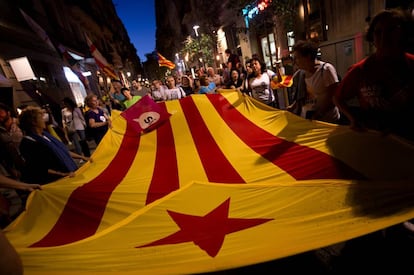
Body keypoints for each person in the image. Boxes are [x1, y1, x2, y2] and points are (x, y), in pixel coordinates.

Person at [334, 8, 414, 142]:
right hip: (376, 142)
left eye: (391, 30)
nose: (384, 37)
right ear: (372, 37)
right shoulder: (360, 70)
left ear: (404, 33)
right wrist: (353, 119)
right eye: (378, 32)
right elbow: (338, 98)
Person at [18, 106, 90, 184]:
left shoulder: (46, 135)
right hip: (58, 180)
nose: (44, 120)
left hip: (70, 173)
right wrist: (62, 174)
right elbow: (38, 167)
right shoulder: (28, 143)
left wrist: (82, 157)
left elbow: (63, 151)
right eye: (41, 118)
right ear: (33, 122)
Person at [292, 40, 340, 123]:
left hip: (327, 121)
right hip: (307, 119)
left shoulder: (326, 70)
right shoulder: (301, 73)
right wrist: (293, 107)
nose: (295, 61)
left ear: (308, 56)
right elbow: (302, 97)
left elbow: (334, 97)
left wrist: (319, 114)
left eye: (298, 58)